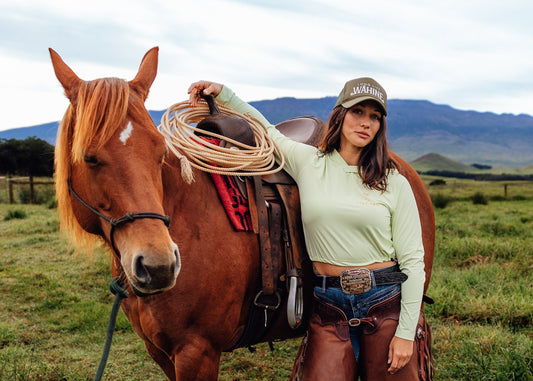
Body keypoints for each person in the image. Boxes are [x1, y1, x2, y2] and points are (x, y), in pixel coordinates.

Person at [188, 78, 427, 380]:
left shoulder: (394, 183)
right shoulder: (309, 163)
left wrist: (406, 333)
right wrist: (226, 94)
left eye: (375, 116)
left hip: (383, 300)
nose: (365, 122)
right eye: (358, 112)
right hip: (330, 305)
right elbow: (267, 131)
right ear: (340, 115)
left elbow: (414, 264)